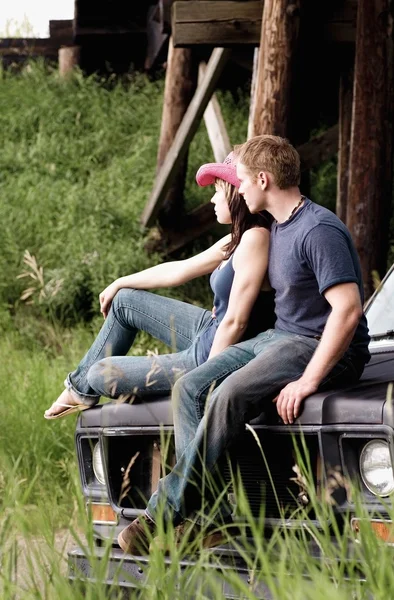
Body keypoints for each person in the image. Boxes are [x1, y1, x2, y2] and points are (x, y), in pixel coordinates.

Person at [117, 134, 371, 555]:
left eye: (243, 180)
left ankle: (164, 511)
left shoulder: (318, 229)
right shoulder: (276, 228)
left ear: (265, 180)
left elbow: (347, 311)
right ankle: (209, 521)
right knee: (191, 387)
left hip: (317, 345)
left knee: (228, 395)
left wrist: (308, 381)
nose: (239, 188)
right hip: (280, 337)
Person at [44, 152, 275, 420]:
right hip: (208, 328)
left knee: (101, 373)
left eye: (217, 190)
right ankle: (79, 389)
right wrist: (120, 281)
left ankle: (92, 387)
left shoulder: (256, 239)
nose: (211, 199)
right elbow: (180, 269)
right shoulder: (239, 238)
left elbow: (236, 322)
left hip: (209, 355)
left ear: (235, 193)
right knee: (124, 301)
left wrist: (206, 378)